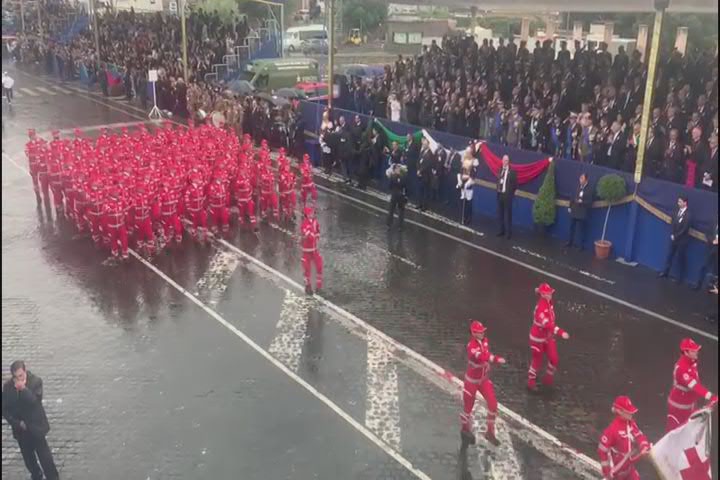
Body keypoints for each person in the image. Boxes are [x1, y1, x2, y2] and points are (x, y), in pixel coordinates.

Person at [2, 360, 59, 480]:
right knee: (29, 459)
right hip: (21, 430)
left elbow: (34, 402)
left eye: (21, 376)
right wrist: (17, 423)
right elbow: (5, 410)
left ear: (25, 371)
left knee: (46, 459)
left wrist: (23, 389)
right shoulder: (7, 387)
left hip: (36, 427)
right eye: (15, 377)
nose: (18, 379)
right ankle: (36, 475)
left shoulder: (36, 382)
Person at [460, 320, 506, 449]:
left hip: (483, 380)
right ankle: (465, 429)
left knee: (493, 404)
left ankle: (490, 432)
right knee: (468, 407)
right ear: (474, 333)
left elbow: (485, 354)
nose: (483, 333)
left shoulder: (484, 341)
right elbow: (481, 357)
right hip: (471, 382)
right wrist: (495, 359)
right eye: (480, 332)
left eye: (483, 331)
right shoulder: (471, 346)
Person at [666, 338, 717, 432]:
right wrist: (710, 396)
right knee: (675, 433)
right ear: (686, 352)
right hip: (678, 408)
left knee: (690, 433)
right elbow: (695, 386)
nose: (696, 352)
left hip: (688, 406)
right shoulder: (682, 369)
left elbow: (696, 384)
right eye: (693, 351)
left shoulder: (692, 363)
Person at [527, 283, 570, 391]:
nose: (550, 294)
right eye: (547, 293)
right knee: (537, 360)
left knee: (554, 358)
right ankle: (531, 382)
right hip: (537, 338)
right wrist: (560, 332)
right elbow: (546, 323)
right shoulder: (541, 308)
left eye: (550, 292)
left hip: (547, 336)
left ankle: (548, 378)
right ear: (542, 294)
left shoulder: (548, 303)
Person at [597, 396, 650, 480]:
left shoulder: (631, 423)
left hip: (629, 471)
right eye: (628, 412)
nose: (632, 413)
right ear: (619, 411)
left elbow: (639, 436)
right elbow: (602, 451)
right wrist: (607, 472)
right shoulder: (612, 430)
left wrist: (644, 447)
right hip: (616, 475)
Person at [659, 195, 691, 281]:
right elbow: (673, 222)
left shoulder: (688, 215)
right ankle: (665, 272)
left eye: (680, 202)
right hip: (673, 239)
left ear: (685, 203)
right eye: (678, 201)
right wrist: (672, 234)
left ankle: (679, 278)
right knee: (669, 255)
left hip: (682, 240)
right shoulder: (676, 211)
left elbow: (685, 228)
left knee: (680, 258)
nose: (678, 203)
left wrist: (675, 236)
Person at [566, 173, 593, 249]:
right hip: (574, 209)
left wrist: (582, 202)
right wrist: (570, 206)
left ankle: (581, 245)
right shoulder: (577, 187)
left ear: (586, 180)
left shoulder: (589, 189)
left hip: (582, 212)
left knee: (581, 229)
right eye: (580, 178)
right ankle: (570, 241)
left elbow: (590, 202)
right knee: (572, 227)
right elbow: (572, 197)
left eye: (582, 178)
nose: (580, 180)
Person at [301, 206, 323, 295]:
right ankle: (308, 286)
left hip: (314, 250)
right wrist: (312, 235)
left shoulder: (315, 222)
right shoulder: (304, 224)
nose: (312, 214)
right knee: (307, 269)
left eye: (312, 213)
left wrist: (317, 237)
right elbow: (308, 235)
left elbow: (317, 231)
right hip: (306, 250)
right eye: (310, 213)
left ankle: (319, 286)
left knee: (319, 266)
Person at [496, 155, 517, 239]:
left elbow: (515, 185)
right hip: (500, 194)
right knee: (500, 214)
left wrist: (510, 194)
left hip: (507, 196)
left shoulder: (512, 172)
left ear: (509, 161)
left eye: (507, 160)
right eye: (504, 160)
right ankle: (501, 230)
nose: (505, 162)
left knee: (508, 215)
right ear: (502, 161)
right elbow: (498, 181)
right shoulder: (500, 170)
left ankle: (509, 233)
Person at [694, 220, 718, 291]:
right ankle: (698, 284)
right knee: (704, 266)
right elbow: (707, 233)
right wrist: (712, 240)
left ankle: (711, 287)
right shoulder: (713, 222)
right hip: (710, 248)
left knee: (715, 270)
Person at [386, 162, 407, 230]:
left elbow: (389, 186)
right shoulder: (403, 177)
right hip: (400, 195)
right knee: (399, 211)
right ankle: (399, 226)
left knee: (393, 210)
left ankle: (390, 225)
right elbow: (405, 186)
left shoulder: (392, 176)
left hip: (395, 195)